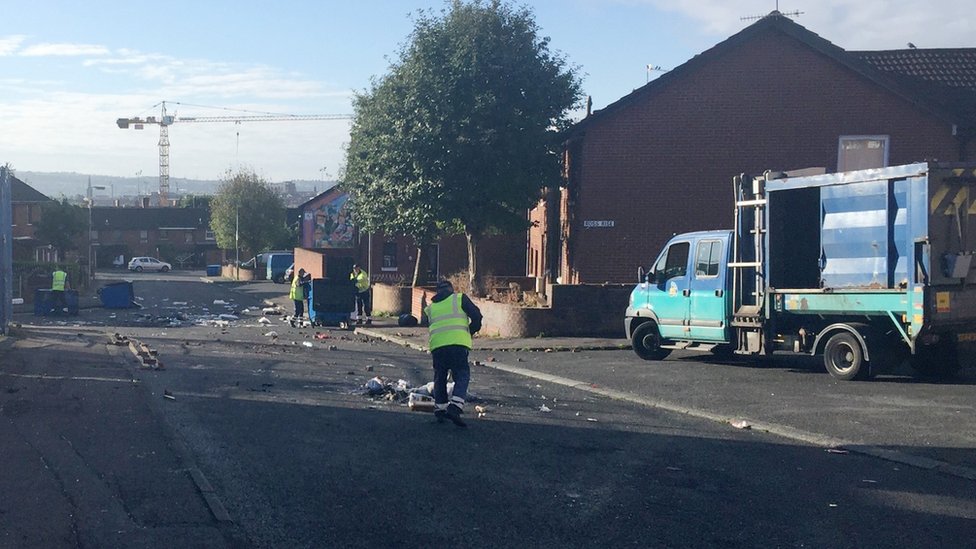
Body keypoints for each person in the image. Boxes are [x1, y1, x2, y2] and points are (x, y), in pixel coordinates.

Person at [424, 279, 483, 427]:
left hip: (437, 346)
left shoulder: (430, 308)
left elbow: (430, 325)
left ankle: (440, 408)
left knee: (440, 377)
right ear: (451, 289)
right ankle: (455, 407)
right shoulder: (460, 299)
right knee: (462, 374)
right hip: (457, 344)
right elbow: (477, 316)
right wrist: (469, 331)